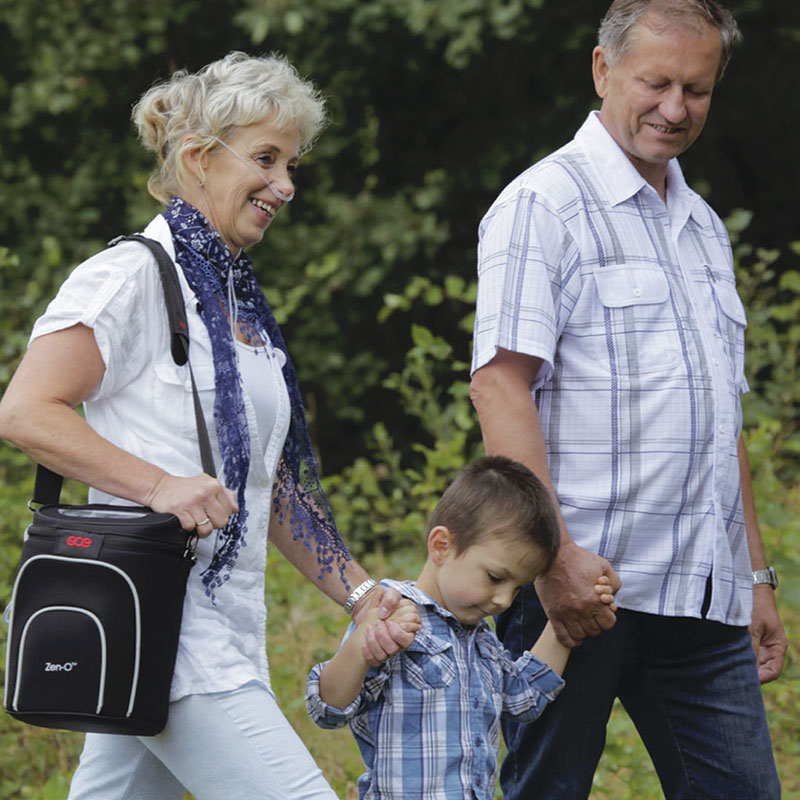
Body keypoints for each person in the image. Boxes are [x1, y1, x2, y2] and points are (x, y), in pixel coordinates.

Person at [0, 52, 412, 800]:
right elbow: (26, 411)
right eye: (266, 158)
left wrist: (362, 593)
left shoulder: (240, 306)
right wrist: (158, 485)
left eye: (291, 163)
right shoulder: (128, 277)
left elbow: (270, 486)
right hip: (167, 625)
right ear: (197, 157)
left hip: (216, 627)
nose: (286, 185)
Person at [469, 1, 788, 798]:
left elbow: (722, 421)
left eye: (698, 89)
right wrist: (552, 560)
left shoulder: (705, 229)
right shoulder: (543, 204)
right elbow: (499, 383)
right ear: (603, 70)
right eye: (657, 83)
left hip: (701, 595)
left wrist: (755, 576)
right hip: (582, 589)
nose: (675, 109)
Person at [306, 456, 617, 800]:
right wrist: (362, 644)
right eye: (496, 578)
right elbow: (328, 710)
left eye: (517, 588)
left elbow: (522, 699)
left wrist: (564, 628)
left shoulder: (481, 640)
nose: (504, 600)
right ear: (442, 546)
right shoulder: (390, 615)